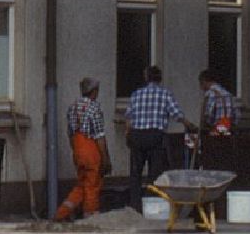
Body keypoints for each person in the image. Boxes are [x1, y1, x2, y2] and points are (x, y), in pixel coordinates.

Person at [125, 66, 196, 207]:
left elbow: (128, 117)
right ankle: (151, 203)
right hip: (155, 136)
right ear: (160, 78)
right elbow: (177, 114)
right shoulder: (165, 94)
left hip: (137, 136)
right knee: (155, 173)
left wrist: (128, 135)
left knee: (135, 173)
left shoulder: (136, 94)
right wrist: (190, 125)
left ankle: (134, 205)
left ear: (146, 77)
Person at [55, 78, 112, 221]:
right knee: (93, 185)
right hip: (91, 152)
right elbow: (100, 136)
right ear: (93, 92)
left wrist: (76, 152)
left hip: (78, 151)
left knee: (82, 184)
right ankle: (90, 218)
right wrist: (106, 159)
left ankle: (61, 213)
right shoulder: (94, 108)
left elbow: (70, 134)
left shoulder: (72, 107)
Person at [200, 71, 241, 135]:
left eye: (201, 84)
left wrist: (204, 124)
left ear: (204, 81)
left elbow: (208, 115)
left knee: (191, 140)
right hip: (229, 131)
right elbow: (237, 115)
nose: (200, 87)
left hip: (216, 131)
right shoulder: (228, 94)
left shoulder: (210, 94)